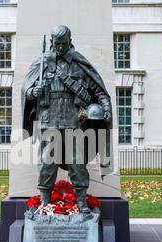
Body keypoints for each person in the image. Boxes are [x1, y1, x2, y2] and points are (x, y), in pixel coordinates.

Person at [21, 25, 113, 214]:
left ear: (70, 40)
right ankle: (45, 203)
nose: (61, 48)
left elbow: (98, 90)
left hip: (74, 120)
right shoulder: (41, 62)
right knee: (47, 162)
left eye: (64, 43)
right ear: (52, 43)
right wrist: (33, 91)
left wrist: (106, 107)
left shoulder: (79, 63)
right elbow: (25, 90)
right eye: (57, 44)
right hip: (49, 119)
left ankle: (81, 203)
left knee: (77, 163)